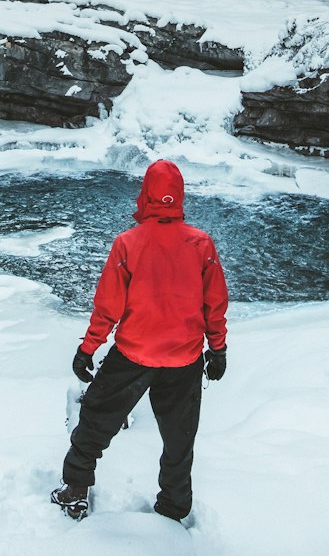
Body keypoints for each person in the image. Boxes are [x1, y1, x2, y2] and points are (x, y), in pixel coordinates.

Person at [51, 159, 229, 523]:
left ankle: (75, 490)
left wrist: (88, 348)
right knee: (179, 438)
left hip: (133, 354)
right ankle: (174, 509)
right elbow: (215, 304)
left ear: (145, 194)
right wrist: (218, 348)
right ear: (178, 196)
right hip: (184, 359)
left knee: (96, 420)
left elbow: (108, 306)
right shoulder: (201, 244)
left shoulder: (128, 244)